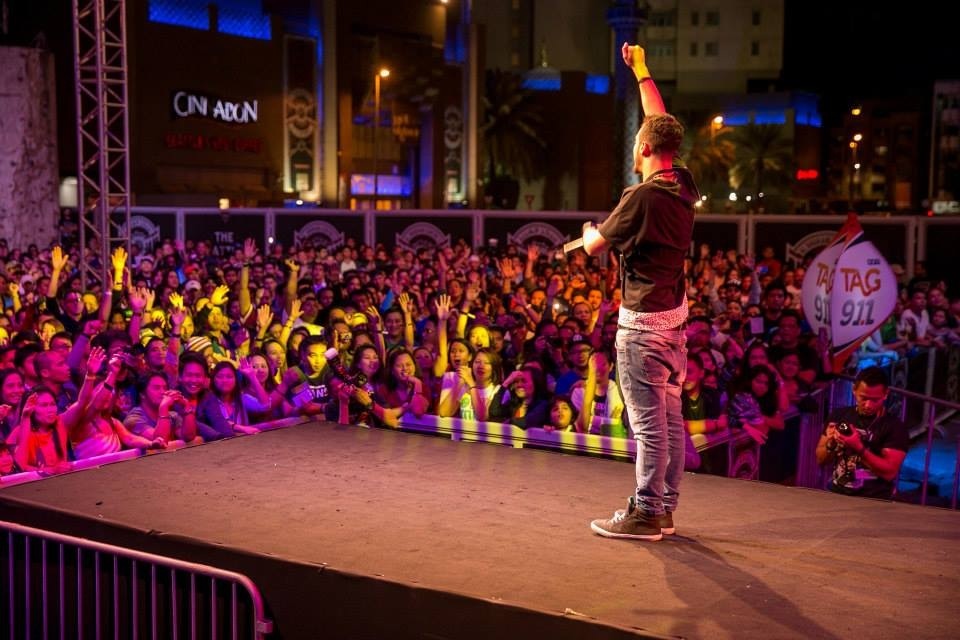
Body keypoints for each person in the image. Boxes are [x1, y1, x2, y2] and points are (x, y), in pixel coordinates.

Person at [584, 43, 699, 541]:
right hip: (673, 329)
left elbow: (595, 246)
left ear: (646, 149)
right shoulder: (683, 184)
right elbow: (659, 122)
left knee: (649, 428)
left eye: (637, 142)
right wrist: (642, 71)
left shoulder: (642, 196)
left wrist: (590, 231)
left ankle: (646, 512)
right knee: (669, 424)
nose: (635, 147)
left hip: (642, 332)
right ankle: (664, 508)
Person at [815, 366, 908, 499]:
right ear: (854, 390)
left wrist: (858, 447)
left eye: (875, 400)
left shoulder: (895, 427)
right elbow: (820, 459)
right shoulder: (839, 415)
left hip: (874, 500)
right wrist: (831, 443)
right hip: (837, 493)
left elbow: (889, 472)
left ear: (886, 394)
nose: (868, 405)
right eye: (863, 398)